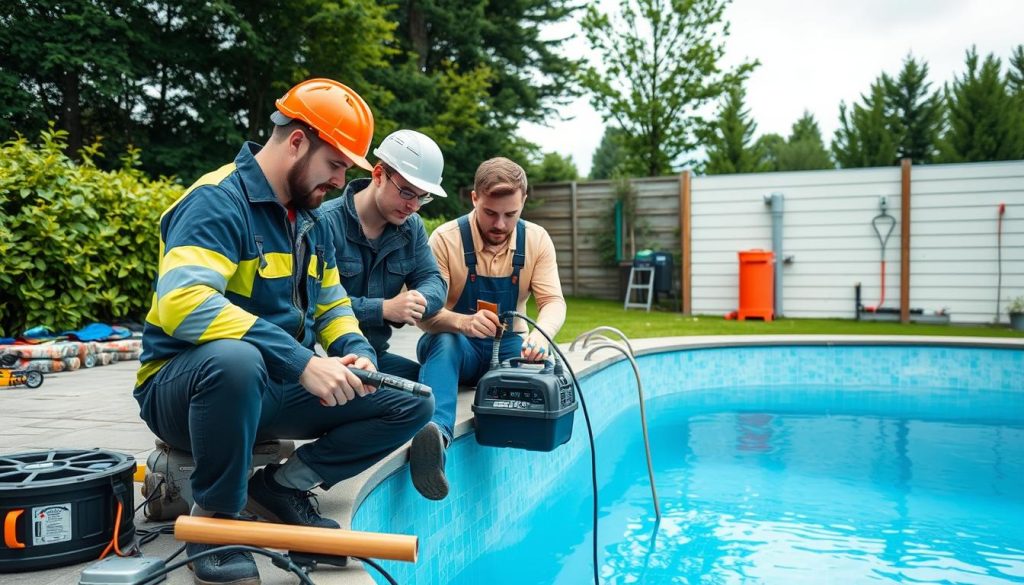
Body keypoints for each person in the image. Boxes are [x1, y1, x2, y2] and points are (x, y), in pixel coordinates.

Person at [133, 78, 433, 585]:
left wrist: (356, 353)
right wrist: (301, 362)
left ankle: (282, 488)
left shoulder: (309, 222)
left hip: (264, 385)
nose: (341, 181)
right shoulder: (216, 201)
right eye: (336, 164)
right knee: (236, 361)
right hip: (183, 391)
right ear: (297, 141)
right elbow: (183, 304)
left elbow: (333, 305)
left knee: (411, 399)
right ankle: (215, 521)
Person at [410, 157, 567, 500]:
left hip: (509, 347)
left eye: (510, 214)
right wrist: (463, 322)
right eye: (491, 213)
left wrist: (539, 337)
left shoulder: (537, 240)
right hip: (456, 348)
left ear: (523, 201)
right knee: (447, 340)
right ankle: (434, 437)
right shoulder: (445, 240)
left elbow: (554, 301)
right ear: (474, 198)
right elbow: (426, 315)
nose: (500, 223)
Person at [321, 129, 448, 381]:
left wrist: (415, 300)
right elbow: (314, 303)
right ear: (378, 174)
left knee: (430, 387)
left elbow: (435, 282)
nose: (413, 206)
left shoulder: (412, 228)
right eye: (407, 192)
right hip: (325, 360)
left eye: (423, 198)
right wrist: (383, 309)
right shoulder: (324, 223)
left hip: (376, 358)